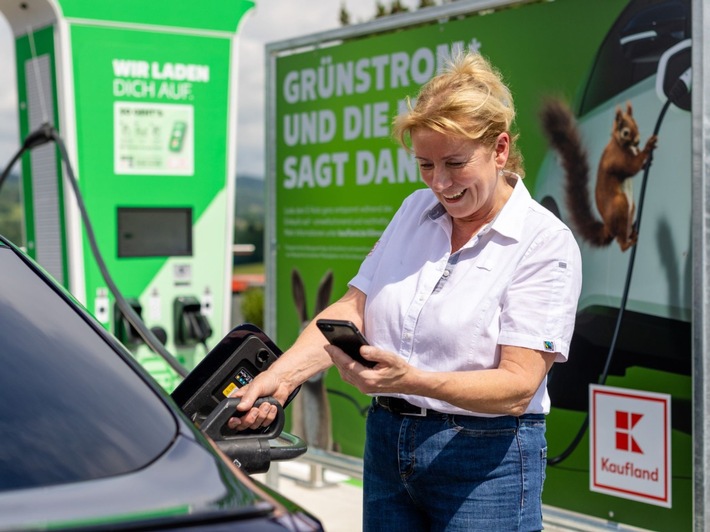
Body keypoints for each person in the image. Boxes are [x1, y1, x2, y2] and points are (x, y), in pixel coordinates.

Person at [229, 51, 582, 531]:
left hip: (485, 461)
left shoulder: (544, 241)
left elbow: (518, 387)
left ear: (499, 150)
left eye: (455, 163)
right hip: (388, 444)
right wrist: (283, 376)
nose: (439, 183)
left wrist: (410, 380)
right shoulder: (415, 211)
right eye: (425, 164)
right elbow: (353, 310)